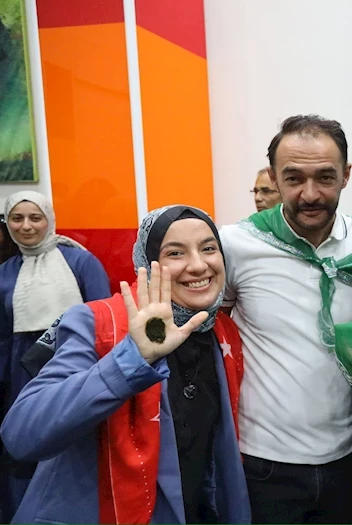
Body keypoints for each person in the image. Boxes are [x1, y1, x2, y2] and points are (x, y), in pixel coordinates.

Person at [0, 205, 249, 524]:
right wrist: (132, 360)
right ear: (148, 262)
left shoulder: (222, 333)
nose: (199, 265)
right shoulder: (99, 324)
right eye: (175, 253)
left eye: (209, 249)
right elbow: (21, 434)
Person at [220, 115, 352, 524]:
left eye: (325, 177)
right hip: (262, 463)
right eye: (294, 178)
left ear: (346, 175)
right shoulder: (236, 244)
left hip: (347, 458)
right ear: (273, 177)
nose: (310, 194)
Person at [0, 191, 110, 519]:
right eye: (17, 219)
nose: (26, 226)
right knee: (25, 447)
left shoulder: (80, 262)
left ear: (49, 219)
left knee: (72, 445)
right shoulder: (5, 271)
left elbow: (104, 321)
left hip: (75, 367)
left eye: (35, 217)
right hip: (20, 375)